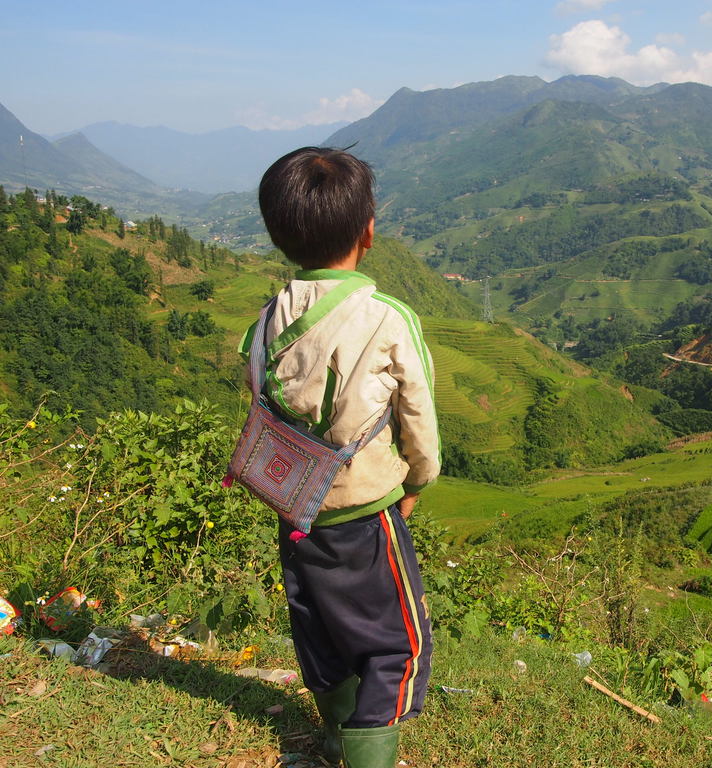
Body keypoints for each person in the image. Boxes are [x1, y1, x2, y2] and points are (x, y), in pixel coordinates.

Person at [244, 146, 440, 768]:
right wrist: (418, 479)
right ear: (369, 231)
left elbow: (259, 397)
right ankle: (369, 757)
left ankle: (334, 736)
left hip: (295, 503)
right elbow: (419, 420)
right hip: (365, 510)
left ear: (279, 234)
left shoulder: (266, 319)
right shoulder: (386, 319)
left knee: (319, 623)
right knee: (396, 642)